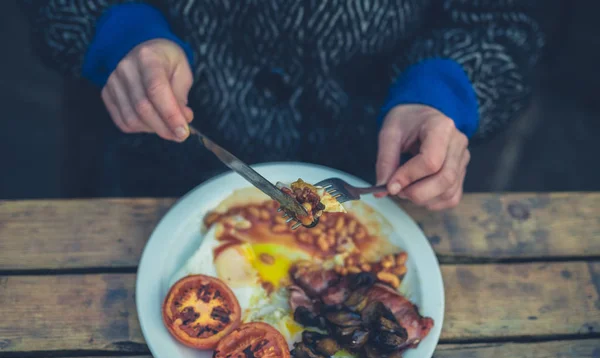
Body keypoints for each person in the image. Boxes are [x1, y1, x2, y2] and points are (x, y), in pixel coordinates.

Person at [22, 1, 544, 206]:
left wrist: (441, 91)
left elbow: (502, 19)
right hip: (154, 165)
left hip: (379, 175)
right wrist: (122, 34)